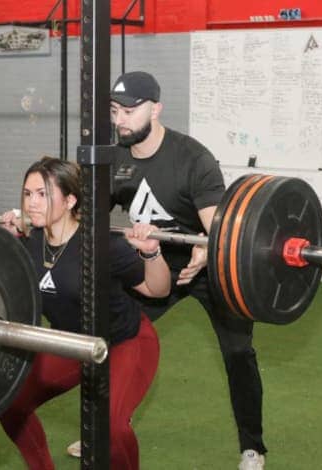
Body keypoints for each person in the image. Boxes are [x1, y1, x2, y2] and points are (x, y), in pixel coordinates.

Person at [105, 71, 268, 470]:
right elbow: (85, 217)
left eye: (129, 110)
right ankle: (104, 426)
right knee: (113, 335)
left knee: (238, 352)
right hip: (154, 263)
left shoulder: (193, 159)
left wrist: (207, 251)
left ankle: (253, 447)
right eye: (114, 111)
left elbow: (219, 229)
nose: (120, 119)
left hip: (208, 268)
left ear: (156, 108)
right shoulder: (113, 160)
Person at [0, 156, 170, 470]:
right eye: (27, 194)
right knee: (10, 402)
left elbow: (157, 290)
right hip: (71, 345)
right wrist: (7, 242)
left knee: (111, 427)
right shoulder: (29, 243)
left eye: (43, 194)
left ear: (70, 200)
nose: (32, 203)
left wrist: (152, 252)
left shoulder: (102, 244)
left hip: (123, 343)